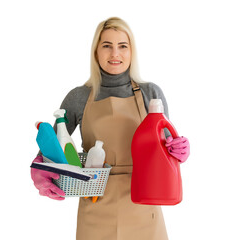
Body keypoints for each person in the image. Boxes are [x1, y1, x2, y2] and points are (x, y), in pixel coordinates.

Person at [30, 17, 190, 240]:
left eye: (122, 46)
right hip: (95, 203)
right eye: (107, 46)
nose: (115, 54)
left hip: (144, 203)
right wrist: (40, 170)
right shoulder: (79, 97)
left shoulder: (150, 93)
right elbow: (51, 149)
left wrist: (178, 150)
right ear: (96, 52)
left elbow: (166, 150)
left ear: (131, 52)